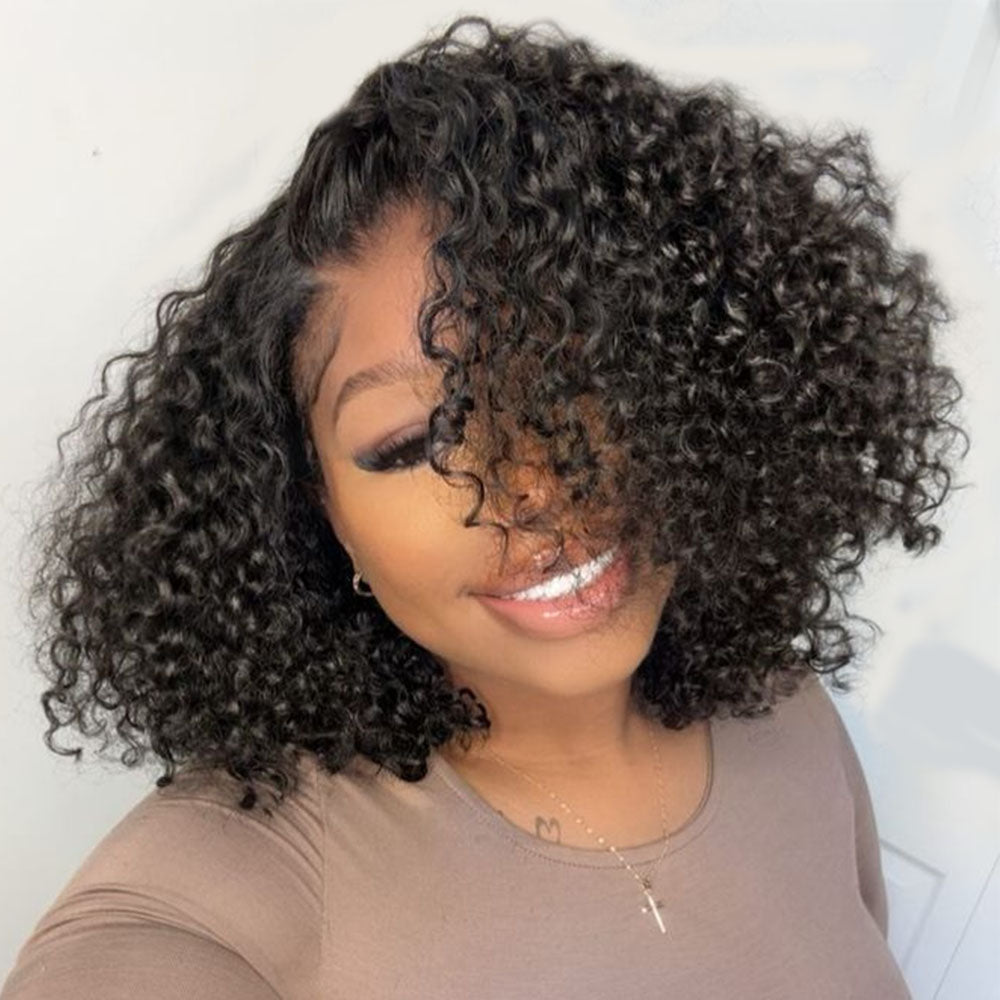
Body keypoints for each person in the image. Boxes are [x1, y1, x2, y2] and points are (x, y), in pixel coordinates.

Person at [2, 14, 968, 999]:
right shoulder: (223, 894)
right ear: (311, 508)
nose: (534, 488)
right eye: (415, 441)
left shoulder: (788, 714)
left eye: (575, 378)